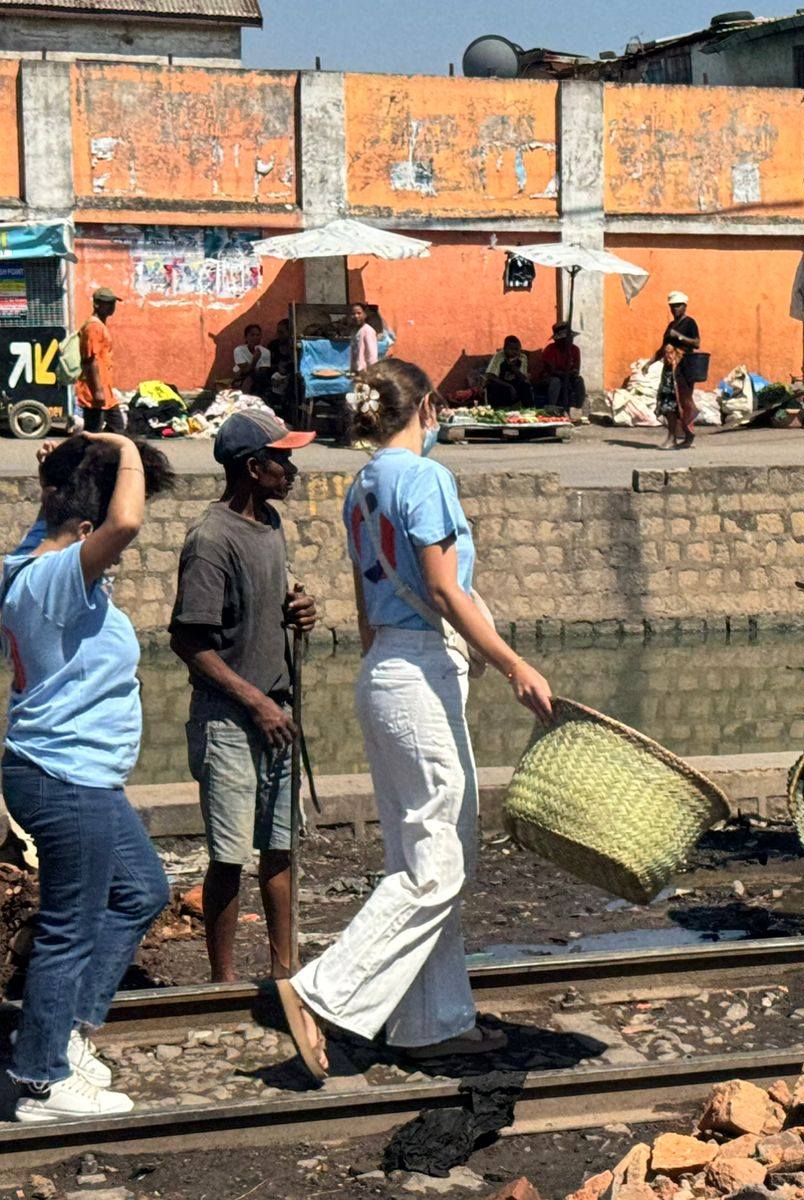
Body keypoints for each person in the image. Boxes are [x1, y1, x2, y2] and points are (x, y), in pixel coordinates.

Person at [273, 358, 555, 1082]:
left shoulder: (362, 485)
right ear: (427, 407)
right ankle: (321, 992)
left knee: (418, 855)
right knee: (440, 865)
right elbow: (441, 585)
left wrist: (391, 668)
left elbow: (369, 607)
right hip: (421, 669)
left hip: (385, 672)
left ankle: (433, 1021)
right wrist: (513, 661)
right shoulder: (425, 478)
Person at [4, 434, 177, 1121]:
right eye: (95, 539)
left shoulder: (23, 565)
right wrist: (122, 440)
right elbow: (125, 521)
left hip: (75, 774)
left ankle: (63, 1035)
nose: (111, 558)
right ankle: (40, 1079)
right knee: (70, 928)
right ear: (83, 532)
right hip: (64, 774)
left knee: (141, 891)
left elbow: (66, 517)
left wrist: (60, 467)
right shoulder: (52, 579)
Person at [169, 411, 318, 984]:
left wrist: (299, 612)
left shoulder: (271, 524)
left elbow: (267, 608)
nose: (292, 468)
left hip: (275, 714)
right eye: (282, 459)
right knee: (229, 857)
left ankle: (285, 972)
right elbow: (189, 640)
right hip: (230, 720)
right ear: (253, 469)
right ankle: (224, 982)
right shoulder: (210, 539)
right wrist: (254, 701)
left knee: (279, 848)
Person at [653, 291, 701, 450]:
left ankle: (682, 436)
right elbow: (663, 348)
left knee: (681, 403)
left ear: (685, 307)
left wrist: (679, 336)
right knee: (667, 403)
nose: (674, 309)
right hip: (669, 369)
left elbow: (696, 343)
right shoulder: (670, 325)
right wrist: (650, 362)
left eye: (678, 306)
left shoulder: (689, 323)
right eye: (672, 306)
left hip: (683, 369)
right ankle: (674, 437)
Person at [76, 287, 124, 435]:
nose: (111, 307)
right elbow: (91, 360)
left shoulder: (100, 325)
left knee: (114, 429)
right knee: (95, 433)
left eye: (112, 303)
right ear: (96, 304)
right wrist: (98, 391)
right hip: (95, 391)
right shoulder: (94, 327)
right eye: (107, 303)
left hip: (105, 391)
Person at [540, 322, 586, 412]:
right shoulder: (550, 349)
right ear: (559, 340)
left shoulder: (575, 350)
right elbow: (552, 371)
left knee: (579, 381)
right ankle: (551, 408)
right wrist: (565, 375)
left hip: (568, 376)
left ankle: (577, 409)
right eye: (568, 338)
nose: (571, 339)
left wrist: (572, 373)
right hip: (550, 377)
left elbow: (576, 369)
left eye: (571, 337)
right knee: (556, 381)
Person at [484, 335, 533, 409]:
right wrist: (509, 386)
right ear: (505, 349)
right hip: (501, 385)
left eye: (517, 349)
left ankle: (528, 410)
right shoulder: (499, 356)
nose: (514, 352)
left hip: (516, 385)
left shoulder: (522, 357)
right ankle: (495, 410)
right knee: (491, 385)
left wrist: (513, 368)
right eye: (511, 349)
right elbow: (490, 376)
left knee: (526, 386)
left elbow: (523, 378)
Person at [233, 323, 274, 396]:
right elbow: (245, 371)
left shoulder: (266, 352)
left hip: (258, 380)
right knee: (249, 379)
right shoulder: (239, 350)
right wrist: (255, 359)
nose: (255, 337)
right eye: (252, 335)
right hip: (242, 378)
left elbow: (263, 371)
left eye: (257, 335)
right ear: (246, 337)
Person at [349, 303, 381, 376]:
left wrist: (372, 374)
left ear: (365, 314)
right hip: (356, 372)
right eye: (353, 314)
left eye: (359, 313)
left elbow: (372, 355)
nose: (356, 316)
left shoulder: (368, 331)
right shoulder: (355, 331)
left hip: (365, 373)